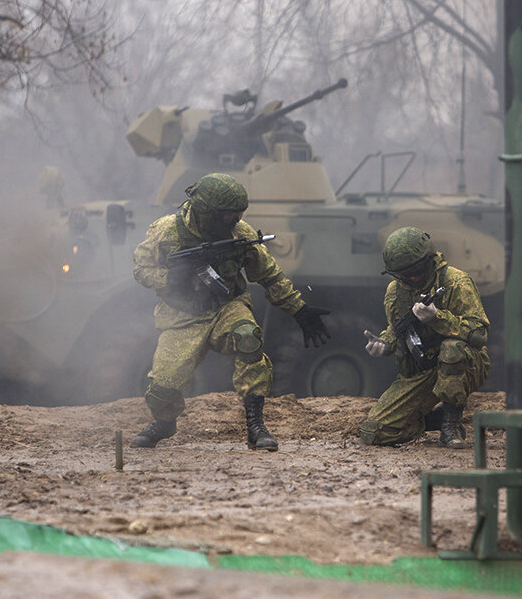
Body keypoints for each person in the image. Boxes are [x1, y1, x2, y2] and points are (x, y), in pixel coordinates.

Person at [130, 173, 330, 451]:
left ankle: (256, 426)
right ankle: (164, 422)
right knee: (161, 388)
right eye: (228, 217)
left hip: (227, 307)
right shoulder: (166, 232)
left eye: (238, 215)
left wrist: (300, 311)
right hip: (183, 315)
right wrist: (168, 279)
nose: (235, 222)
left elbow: (269, 276)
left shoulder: (240, 235)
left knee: (249, 337)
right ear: (206, 213)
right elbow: (141, 269)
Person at [359, 226, 490, 449]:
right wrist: (384, 343)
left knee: (451, 349)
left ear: (429, 260)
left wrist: (437, 318)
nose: (412, 278)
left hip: (464, 362)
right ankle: (434, 420)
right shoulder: (395, 291)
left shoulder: (456, 282)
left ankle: (451, 423)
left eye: (417, 270)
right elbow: (397, 328)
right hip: (423, 369)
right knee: (374, 432)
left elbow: (479, 334)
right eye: (404, 275)